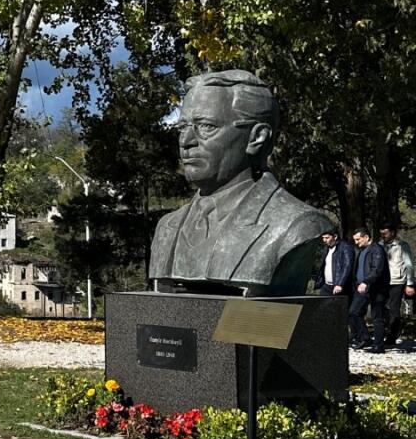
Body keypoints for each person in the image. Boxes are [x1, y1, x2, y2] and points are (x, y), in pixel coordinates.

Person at [149, 70, 333, 295]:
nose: (186, 142)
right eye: (183, 128)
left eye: (207, 126)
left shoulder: (296, 225)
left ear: (257, 138)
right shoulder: (168, 227)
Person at [350, 228, 389, 353]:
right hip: (362, 288)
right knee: (354, 312)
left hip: (376, 288)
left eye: (358, 239)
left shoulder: (376, 250)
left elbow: (377, 269)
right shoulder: (362, 251)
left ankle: (378, 346)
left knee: (377, 317)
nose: (356, 242)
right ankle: (365, 337)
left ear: (366, 237)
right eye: (355, 240)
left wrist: (366, 281)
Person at [377, 224, 415, 348]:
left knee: (393, 308)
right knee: (382, 308)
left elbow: (408, 265)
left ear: (392, 233)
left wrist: (410, 283)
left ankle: (392, 336)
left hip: (396, 281)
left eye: (385, 233)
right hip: (382, 282)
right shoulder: (380, 245)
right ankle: (387, 331)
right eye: (381, 233)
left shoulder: (402, 246)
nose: (383, 236)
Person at [314, 229, 355, 299]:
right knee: (322, 307)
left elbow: (347, 266)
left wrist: (340, 284)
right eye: (323, 238)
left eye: (327, 238)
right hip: (326, 286)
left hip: (338, 287)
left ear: (335, 236)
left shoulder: (345, 247)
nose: (324, 240)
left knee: (338, 308)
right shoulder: (326, 248)